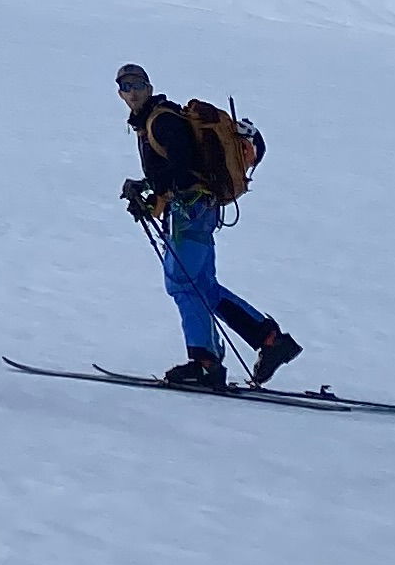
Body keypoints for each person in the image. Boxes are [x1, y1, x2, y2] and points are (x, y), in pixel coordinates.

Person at [118, 61, 301, 391]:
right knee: (203, 285)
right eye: (124, 87)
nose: (130, 93)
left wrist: (152, 192)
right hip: (199, 210)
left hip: (188, 211)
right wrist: (150, 192)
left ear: (147, 86)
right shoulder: (155, 121)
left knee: (184, 285)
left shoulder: (161, 121)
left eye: (135, 85)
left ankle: (205, 364)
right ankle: (269, 340)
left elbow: (182, 168)